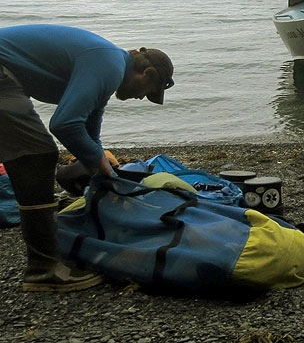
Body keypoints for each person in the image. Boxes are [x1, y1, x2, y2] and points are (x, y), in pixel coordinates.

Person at [0, 24, 174, 292]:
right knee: (36, 154)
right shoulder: (109, 64)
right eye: (148, 91)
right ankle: (44, 269)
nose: (141, 97)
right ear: (146, 72)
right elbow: (65, 125)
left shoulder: (108, 66)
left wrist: (106, 170)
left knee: (30, 151)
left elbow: (90, 132)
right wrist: (96, 162)